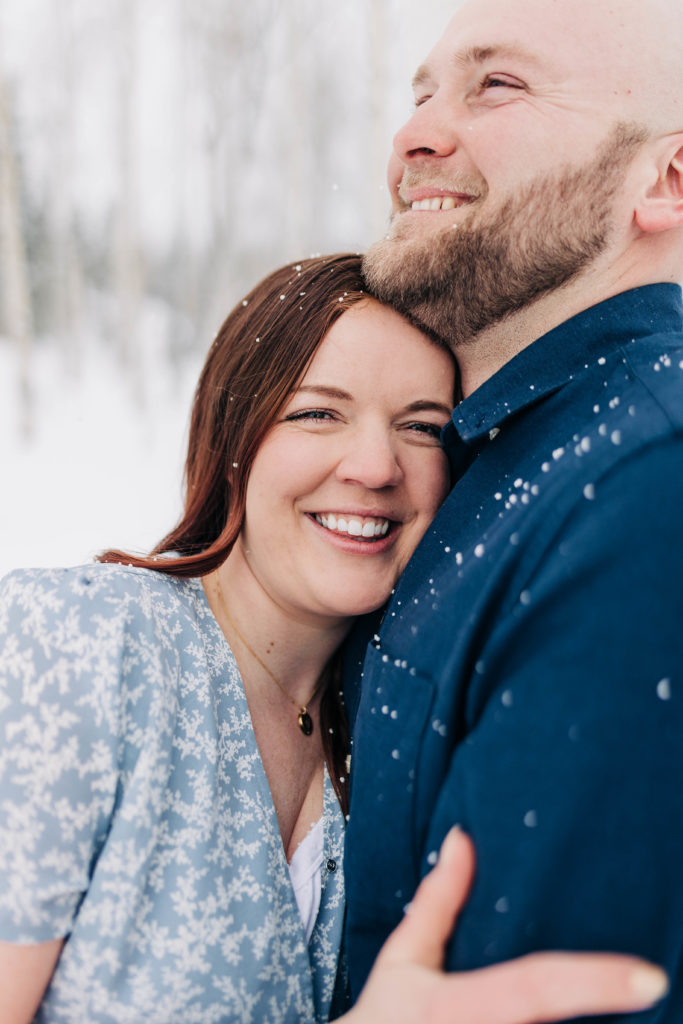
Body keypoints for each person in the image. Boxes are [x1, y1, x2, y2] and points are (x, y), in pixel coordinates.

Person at [1, 253, 664, 1024]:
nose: (376, 466)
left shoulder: (390, 729)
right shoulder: (83, 645)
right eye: (318, 412)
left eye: (422, 427)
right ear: (234, 436)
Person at [343, 0, 683, 1020]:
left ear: (666, 180)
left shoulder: (644, 490)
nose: (414, 136)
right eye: (419, 92)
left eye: (496, 85)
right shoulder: (496, 458)